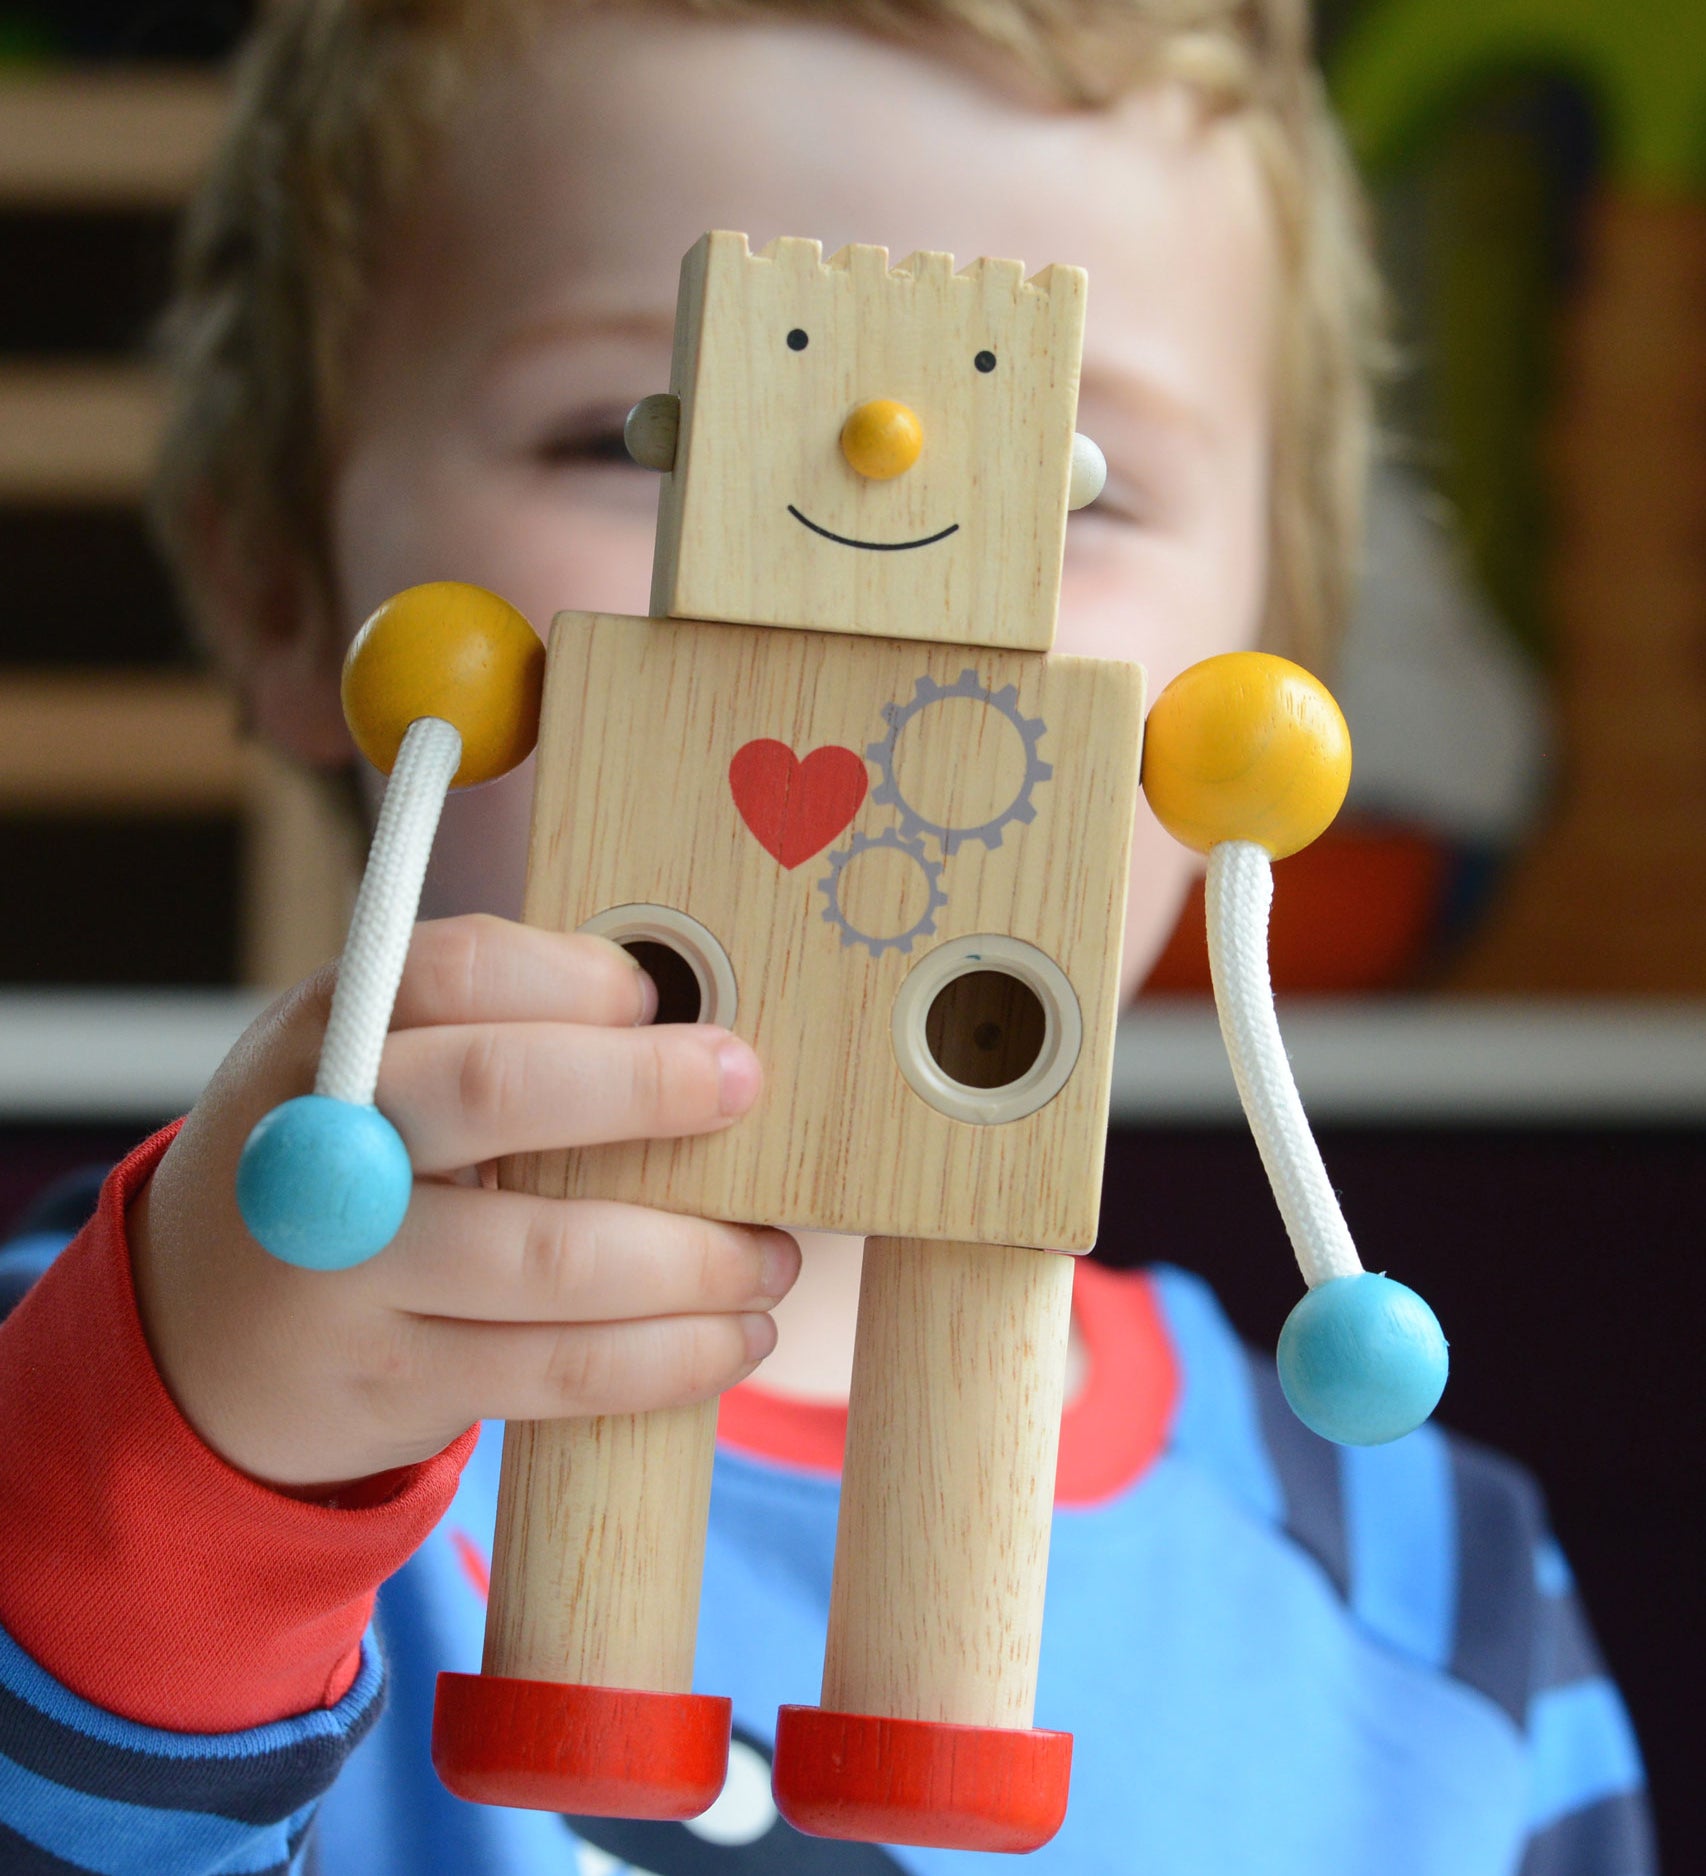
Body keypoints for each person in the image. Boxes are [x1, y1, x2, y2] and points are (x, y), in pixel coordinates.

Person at [0, 1, 1653, 1871]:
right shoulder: (109, 1409)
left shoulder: (1442, 1620)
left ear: (1265, 673)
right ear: (283, 589)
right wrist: (167, 1509)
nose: (878, 611)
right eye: (644, 442)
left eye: (1071, 483)